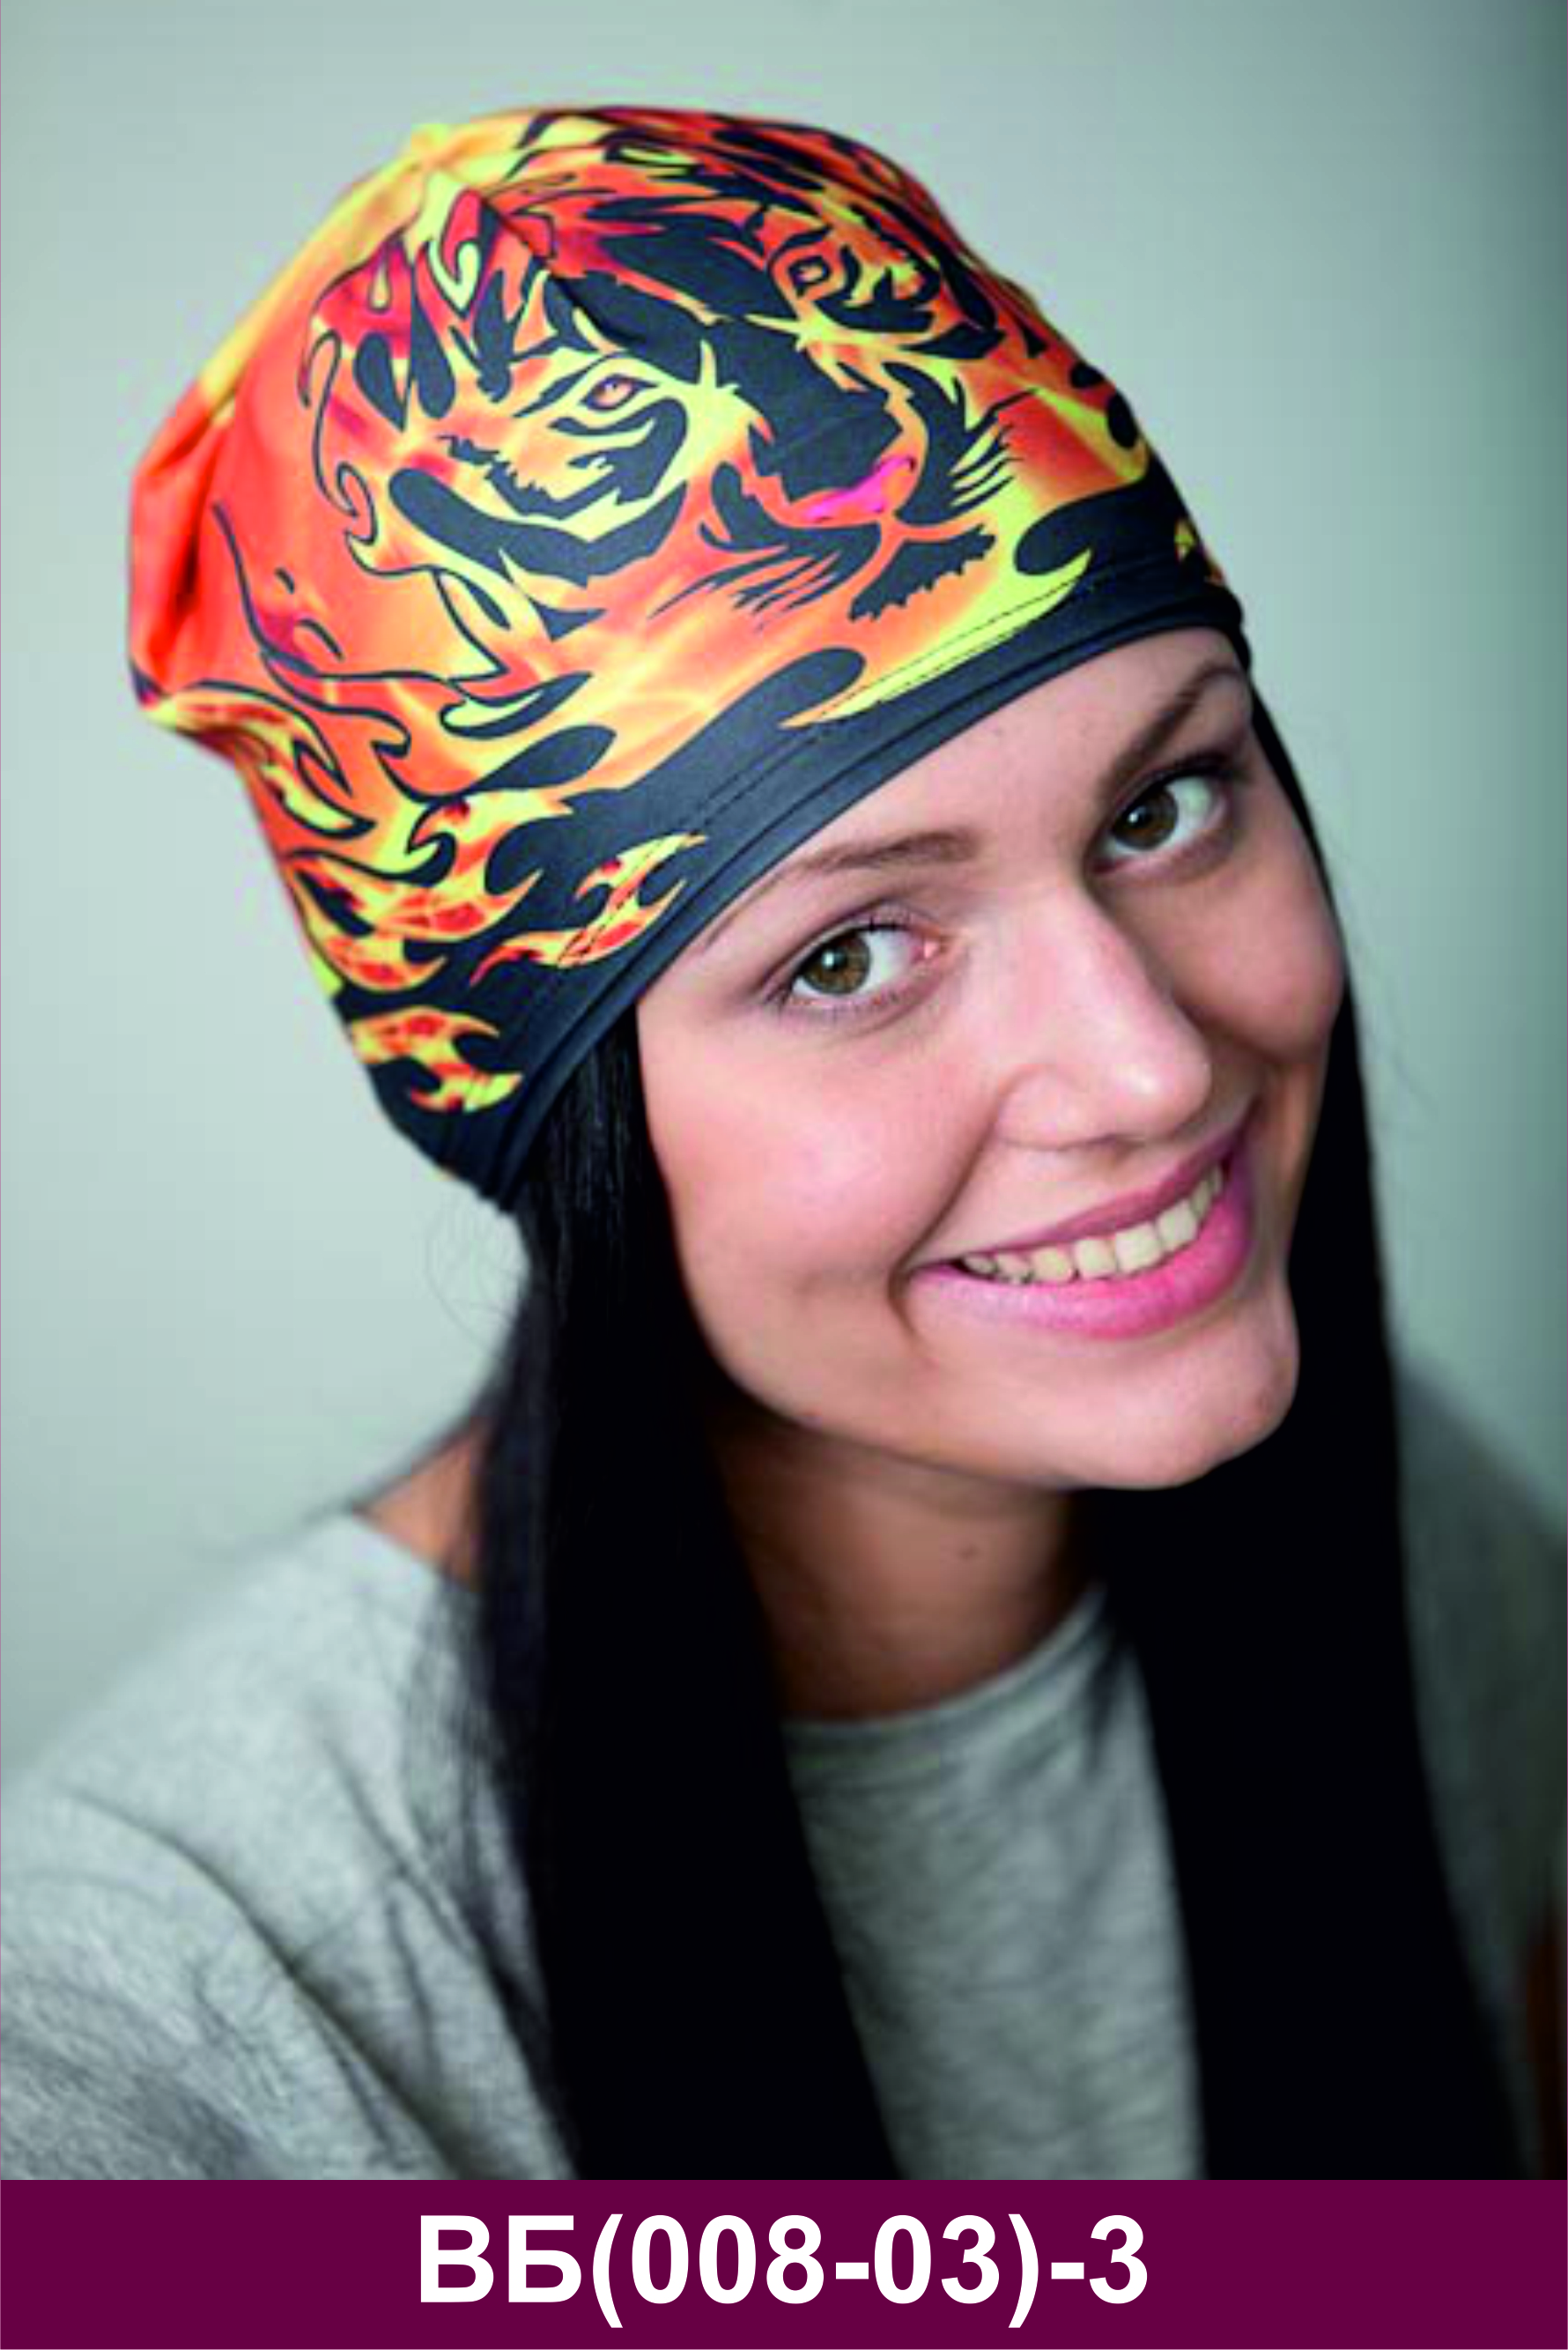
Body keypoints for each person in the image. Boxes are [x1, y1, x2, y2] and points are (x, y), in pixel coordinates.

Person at [2, 107, 1561, 2180]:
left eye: (1160, 805)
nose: (1142, 1067)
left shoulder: (1406, 1532)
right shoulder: (177, 2023)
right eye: (845, 955)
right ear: (543, 1113)